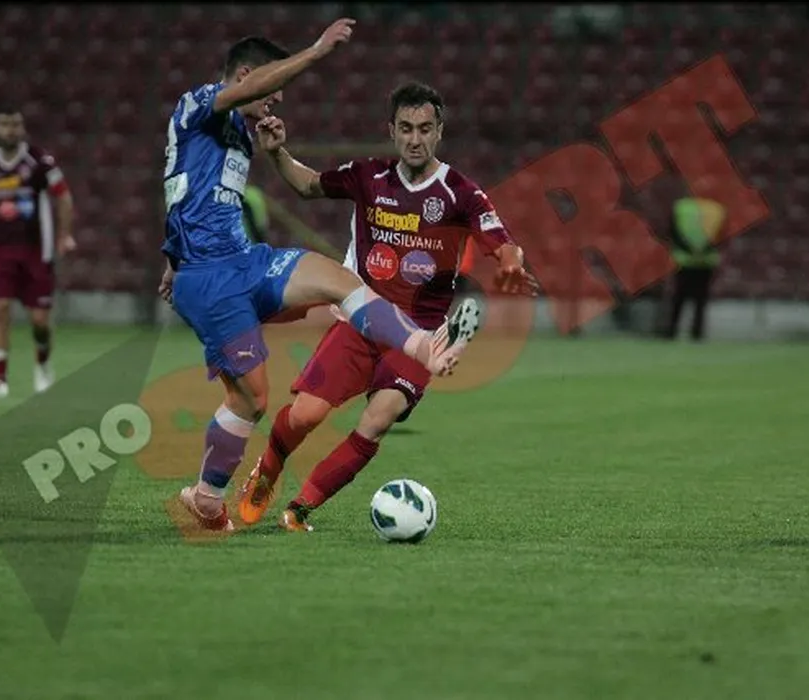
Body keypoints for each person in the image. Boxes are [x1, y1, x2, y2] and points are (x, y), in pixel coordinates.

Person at [158, 22, 486, 534]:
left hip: (243, 261)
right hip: (212, 280)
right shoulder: (198, 103)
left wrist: (172, 255)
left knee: (336, 278)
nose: (275, 101)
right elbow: (247, 103)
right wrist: (314, 52)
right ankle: (206, 500)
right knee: (253, 399)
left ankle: (424, 347)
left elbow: (187, 191)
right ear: (246, 76)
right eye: (270, 90)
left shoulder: (238, 132)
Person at [237, 81, 533, 532]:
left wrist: (511, 263)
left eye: (425, 129)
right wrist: (277, 152)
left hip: (418, 337)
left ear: (439, 132)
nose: (416, 139)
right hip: (362, 320)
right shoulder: (367, 176)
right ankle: (267, 471)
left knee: (377, 420)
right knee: (305, 415)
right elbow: (309, 185)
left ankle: (299, 510)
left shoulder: (460, 192)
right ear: (391, 131)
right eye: (406, 128)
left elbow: (502, 241)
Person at [0, 107, 76, 398]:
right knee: (0, 309)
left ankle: (42, 364)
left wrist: (64, 234)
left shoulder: (39, 161)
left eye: (15, 124)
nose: (11, 130)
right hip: (1, 248)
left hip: (36, 250)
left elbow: (63, 195)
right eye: (5, 124)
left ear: (23, 128)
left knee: (40, 321)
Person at [664, 196, 725, 341]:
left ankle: (671, 331)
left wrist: (689, 248)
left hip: (685, 260)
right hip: (706, 260)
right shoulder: (717, 209)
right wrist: (703, 249)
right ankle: (696, 333)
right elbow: (722, 234)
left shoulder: (681, 206)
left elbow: (673, 231)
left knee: (679, 298)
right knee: (700, 300)